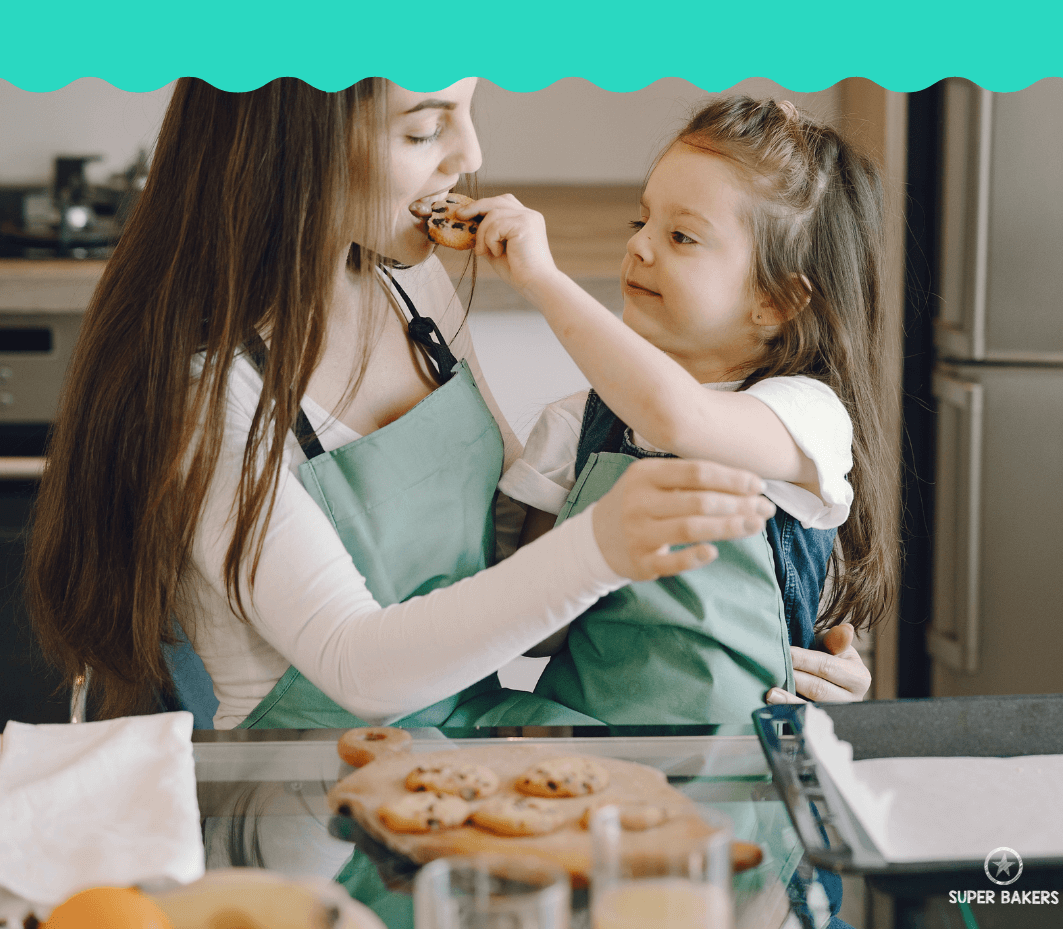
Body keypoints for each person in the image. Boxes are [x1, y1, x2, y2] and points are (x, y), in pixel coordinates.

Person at [24, 76, 783, 734]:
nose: (470, 156)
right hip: (311, 807)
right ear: (297, 143)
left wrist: (749, 638)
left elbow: (511, 570)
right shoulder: (206, 394)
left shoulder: (410, 286)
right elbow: (359, 668)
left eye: (467, 110)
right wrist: (604, 544)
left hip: (472, 755)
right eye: (424, 129)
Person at [458, 95, 893, 726]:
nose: (641, 248)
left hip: (743, 770)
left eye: (682, 235)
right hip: (593, 758)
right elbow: (537, 637)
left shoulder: (803, 415)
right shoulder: (574, 427)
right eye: (641, 223)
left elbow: (681, 421)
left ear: (775, 300)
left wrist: (543, 280)